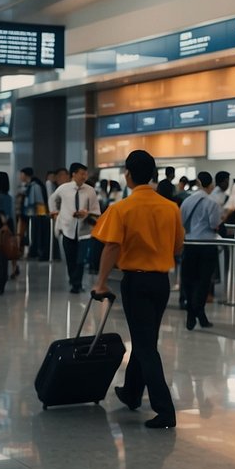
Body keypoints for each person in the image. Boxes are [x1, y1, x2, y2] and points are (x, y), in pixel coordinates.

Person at [93, 149, 183, 429]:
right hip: (161, 283)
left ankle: (165, 410)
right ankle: (131, 393)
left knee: (145, 345)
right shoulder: (171, 207)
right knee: (145, 339)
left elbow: (111, 245)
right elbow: (178, 247)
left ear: (128, 175)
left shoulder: (122, 208)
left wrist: (101, 282)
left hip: (136, 281)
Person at [49, 163, 101, 294]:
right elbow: (52, 199)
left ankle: (76, 284)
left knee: (81, 259)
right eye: (82, 173)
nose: (84, 176)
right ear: (74, 174)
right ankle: (74, 282)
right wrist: (55, 213)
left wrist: (87, 213)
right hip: (68, 228)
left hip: (84, 230)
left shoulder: (90, 190)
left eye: (85, 173)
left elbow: (96, 210)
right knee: (70, 258)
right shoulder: (63, 189)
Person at [180, 171, 222, 329]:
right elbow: (214, 224)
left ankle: (192, 314)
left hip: (190, 244)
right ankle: (200, 312)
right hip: (207, 245)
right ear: (210, 184)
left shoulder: (187, 201)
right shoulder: (213, 202)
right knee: (204, 282)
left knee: (190, 280)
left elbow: (181, 221)